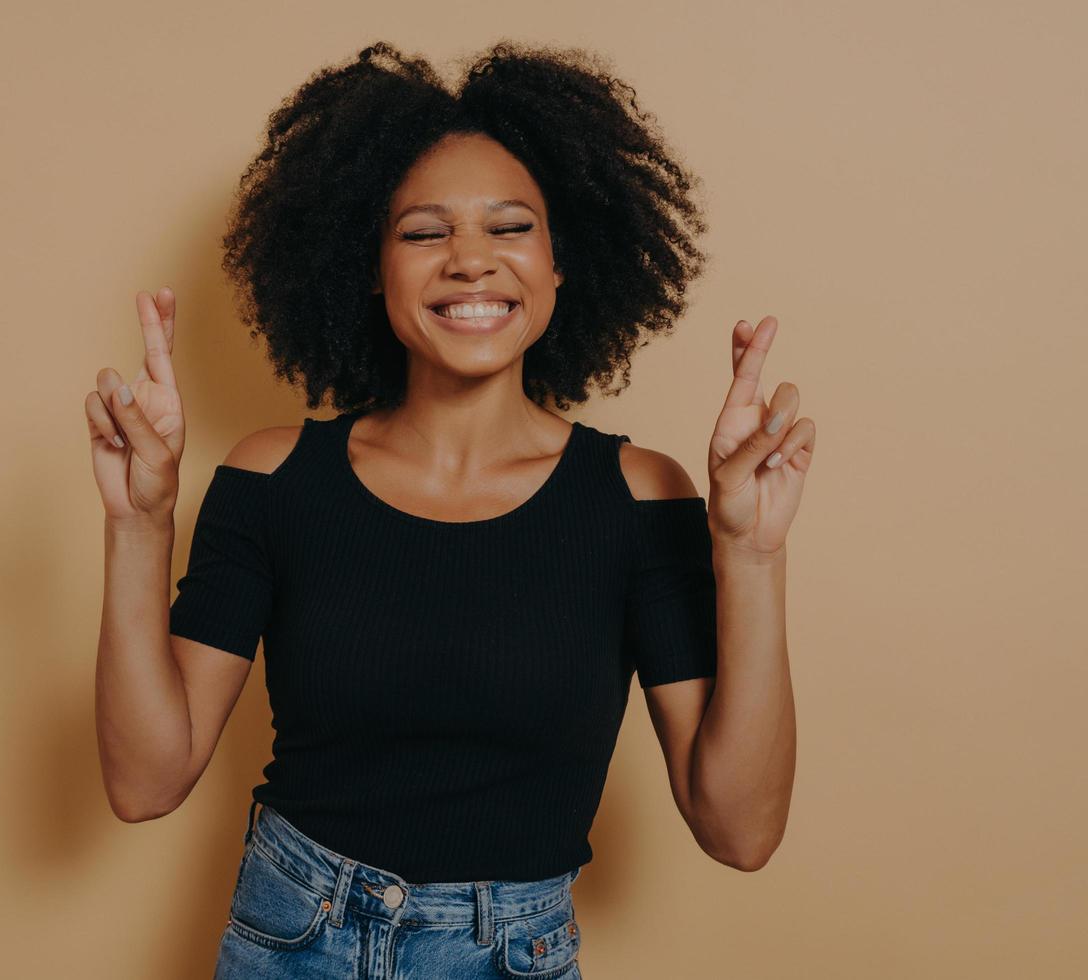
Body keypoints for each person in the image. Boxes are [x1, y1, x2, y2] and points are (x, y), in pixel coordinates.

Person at [87, 39, 810, 979]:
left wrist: (750, 557)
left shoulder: (638, 497)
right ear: (370, 268)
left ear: (561, 265)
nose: (470, 260)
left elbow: (740, 830)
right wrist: (139, 524)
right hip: (290, 940)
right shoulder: (276, 479)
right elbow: (145, 782)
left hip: (512, 952)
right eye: (424, 233)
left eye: (510, 228)